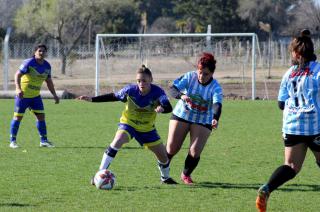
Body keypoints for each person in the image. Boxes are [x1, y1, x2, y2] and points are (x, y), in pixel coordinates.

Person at [77, 65, 177, 185]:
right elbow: (114, 96)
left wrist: (162, 108)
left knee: (163, 157)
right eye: (138, 81)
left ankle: (165, 178)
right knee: (118, 140)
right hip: (129, 124)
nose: (141, 83)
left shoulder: (158, 92)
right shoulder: (130, 90)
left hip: (147, 129)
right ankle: (99, 174)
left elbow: (168, 107)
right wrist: (92, 99)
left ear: (151, 79)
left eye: (144, 80)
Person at [256, 29, 320, 212]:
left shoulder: (288, 74)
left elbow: (281, 104)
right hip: (315, 125)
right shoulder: (318, 71)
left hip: (292, 125)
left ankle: (267, 188)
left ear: (297, 53)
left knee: (291, 166)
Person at [166, 52, 223, 185]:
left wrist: (215, 117)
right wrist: (181, 95)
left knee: (195, 150)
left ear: (212, 74)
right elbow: (172, 89)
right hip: (183, 114)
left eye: (206, 74)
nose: (201, 76)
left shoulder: (215, 87)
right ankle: (164, 172)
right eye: (200, 72)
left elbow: (217, 104)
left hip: (203, 118)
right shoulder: (190, 76)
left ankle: (185, 174)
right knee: (172, 148)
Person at [9, 44, 59, 149]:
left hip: (35, 97)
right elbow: (17, 74)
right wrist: (18, 88)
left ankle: (43, 141)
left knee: (41, 117)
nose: (41, 53)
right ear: (35, 52)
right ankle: (12, 141)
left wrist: (54, 94)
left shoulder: (47, 66)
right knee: (18, 117)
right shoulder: (29, 63)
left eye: (43, 51)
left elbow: (48, 81)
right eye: (39, 51)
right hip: (23, 96)